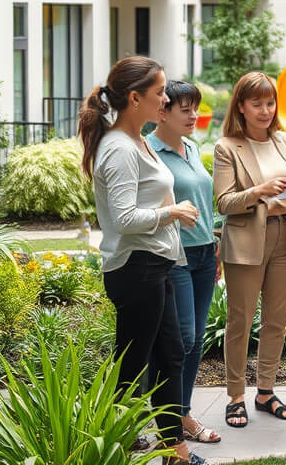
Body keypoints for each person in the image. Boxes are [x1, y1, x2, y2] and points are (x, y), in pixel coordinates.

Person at [79, 56, 205, 465]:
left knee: (169, 355)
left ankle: (175, 452)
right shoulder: (118, 148)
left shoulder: (140, 139)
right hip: (135, 269)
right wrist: (173, 213)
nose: (166, 99)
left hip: (157, 263)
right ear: (135, 99)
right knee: (133, 363)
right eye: (159, 93)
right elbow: (122, 219)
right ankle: (104, 443)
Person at [213, 72, 286, 429]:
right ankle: (235, 397)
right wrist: (260, 190)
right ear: (241, 106)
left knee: (276, 320)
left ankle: (266, 392)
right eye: (256, 103)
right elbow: (224, 202)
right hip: (245, 242)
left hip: (285, 238)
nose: (265, 110)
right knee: (240, 321)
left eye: (270, 102)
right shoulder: (226, 146)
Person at [147, 80, 221, 445]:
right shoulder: (149, 150)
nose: (194, 116)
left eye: (196, 108)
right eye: (185, 109)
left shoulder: (191, 146)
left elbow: (202, 198)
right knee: (183, 339)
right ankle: (170, 419)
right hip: (175, 256)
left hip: (206, 253)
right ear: (163, 112)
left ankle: (181, 413)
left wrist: (215, 239)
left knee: (196, 339)